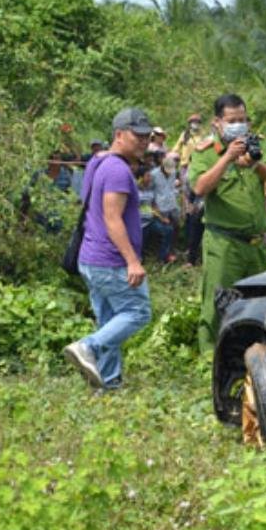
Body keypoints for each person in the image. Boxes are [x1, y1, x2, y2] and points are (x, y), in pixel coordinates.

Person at [63, 108, 154, 390]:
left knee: (109, 321)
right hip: (110, 260)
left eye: (146, 136)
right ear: (118, 135)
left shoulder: (98, 163)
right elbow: (113, 219)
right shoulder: (117, 170)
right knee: (139, 312)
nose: (143, 142)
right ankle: (87, 347)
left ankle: (108, 383)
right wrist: (132, 261)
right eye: (137, 136)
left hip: (90, 258)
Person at [189, 93, 266, 352]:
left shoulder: (257, 145)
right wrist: (227, 158)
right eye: (232, 120)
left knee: (257, 302)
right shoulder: (206, 151)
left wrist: (255, 165)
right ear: (217, 122)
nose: (239, 125)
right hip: (224, 243)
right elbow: (199, 187)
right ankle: (210, 359)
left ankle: (250, 355)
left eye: (243, 119)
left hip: (256, 245)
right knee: (218, 302)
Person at [149, 152, 182, 263]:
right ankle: (163, 254)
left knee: (176, 226)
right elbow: (151, 193)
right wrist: (156, 210)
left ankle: (172, 249)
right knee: (167, 230)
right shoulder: (153, 174)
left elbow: (172, 187)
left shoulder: (173, 173)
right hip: (160, 207)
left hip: (172, 204)